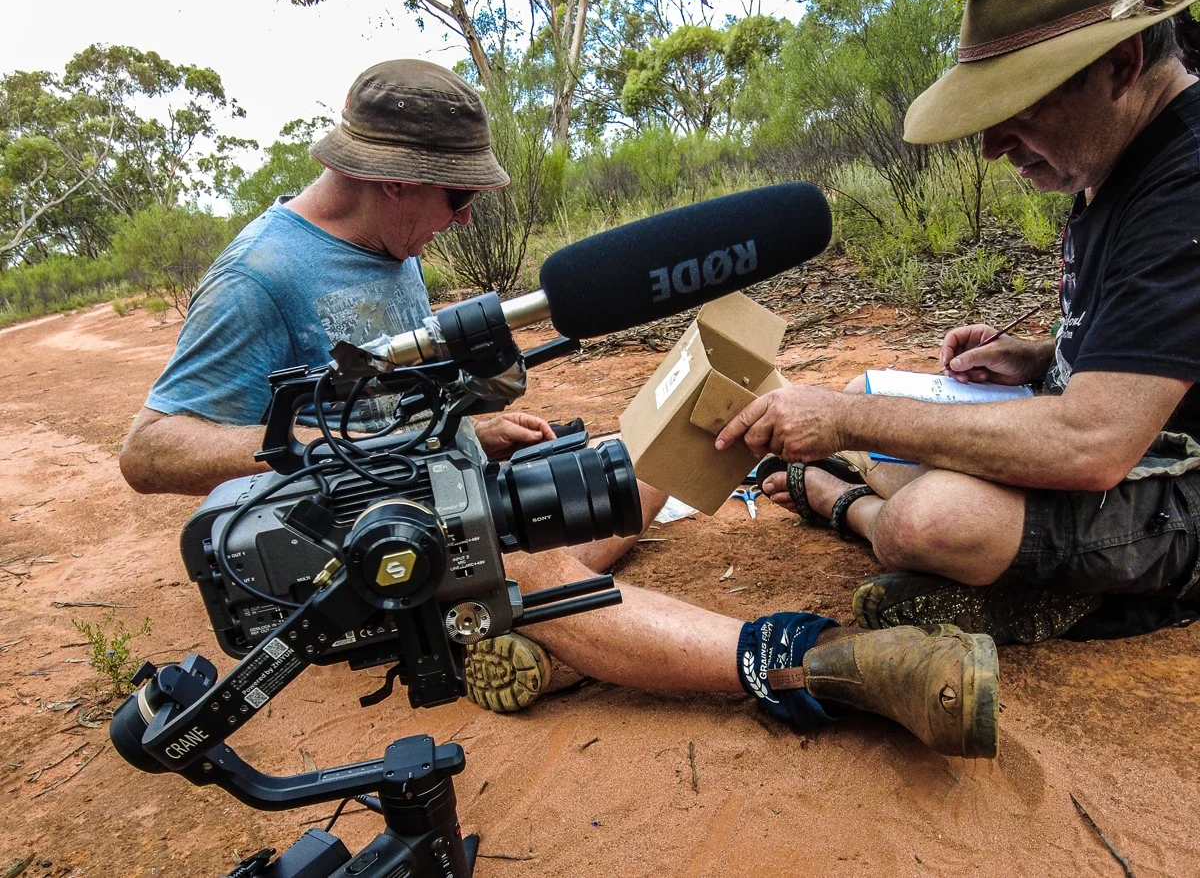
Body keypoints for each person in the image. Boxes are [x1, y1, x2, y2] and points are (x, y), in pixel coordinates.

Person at [121, 59, 1001, 759]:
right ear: (390, 180)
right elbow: (151, 452)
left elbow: (385, 402)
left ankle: (548, 644)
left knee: (617, 469)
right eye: (457, 197)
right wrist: (346, 452)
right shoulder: (260, 277)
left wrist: (466, 426)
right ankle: (816, 664)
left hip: (426, 505)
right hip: (342, 567)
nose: (464, 220)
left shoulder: (390, 248)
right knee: (522, 564)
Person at [719, 0, 1200, 645]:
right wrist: (1038, 354)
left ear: (1119, 66)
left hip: (1172, 476)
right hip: (1124, 438)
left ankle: (846, 505)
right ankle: (1013, 572)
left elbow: (1093, 444)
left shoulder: (1185, 183)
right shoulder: (1119, 146)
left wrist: (847, 423)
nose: (994, 145)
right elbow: (1158, 341)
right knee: (874, 402)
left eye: (1020, 105)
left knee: (931, 518)